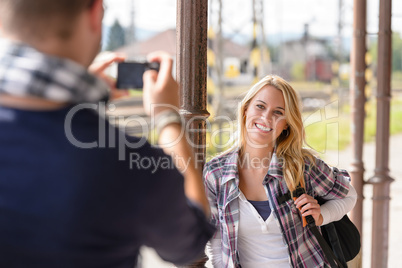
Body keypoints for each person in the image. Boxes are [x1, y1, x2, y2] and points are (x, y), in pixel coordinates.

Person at [0, 0, 214, 267]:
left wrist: (78, 101)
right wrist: (168, 118)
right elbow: (189, 244)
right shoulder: (129, 165)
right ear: (95, 13)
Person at [203, 75, 357, 268]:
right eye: (260, 106)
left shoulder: (302, 166)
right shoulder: (215, 174)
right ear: (245, 109)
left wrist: (321, 215)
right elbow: (217, 247)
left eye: (278, 112)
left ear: (287, 124)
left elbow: (349, 194)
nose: (266, 118)